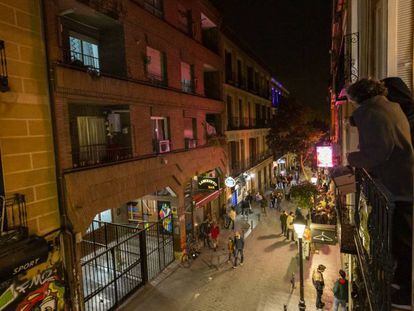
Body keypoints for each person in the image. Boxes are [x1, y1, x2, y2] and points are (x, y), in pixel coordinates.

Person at [346, 79, 414, 308]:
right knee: (401, 237)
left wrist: (351, 159)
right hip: (403, 182)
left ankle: (405, 290)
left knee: (401, 240)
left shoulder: (373, 113)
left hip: (397, 186)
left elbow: (378, 151)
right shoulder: (388, 107)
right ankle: (401, 282)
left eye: (351, 101)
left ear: (358, 98)